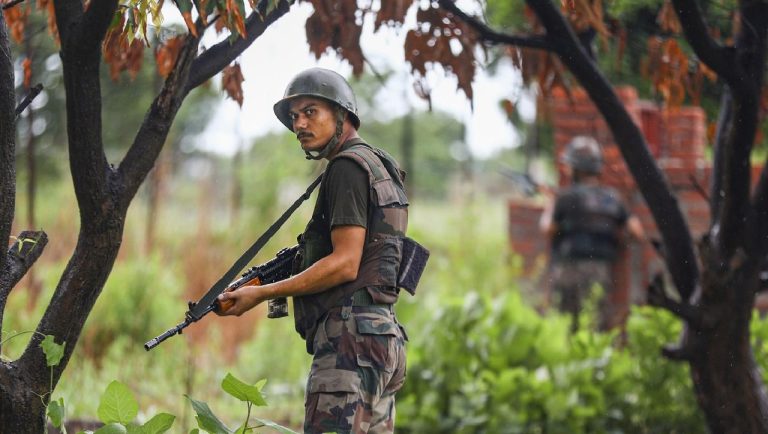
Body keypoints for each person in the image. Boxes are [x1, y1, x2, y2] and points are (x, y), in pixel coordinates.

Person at [216, 67, 410, 434]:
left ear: (342, 114)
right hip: (384, 337)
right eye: (294, 117)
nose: (300, 124)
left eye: (310, 112)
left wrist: (262, 293)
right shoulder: (380, 165)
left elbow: (345, 264)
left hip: (350, 343)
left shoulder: (346, 168)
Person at [539, 136, 644, 332]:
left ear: (575, 169)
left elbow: (547, 228)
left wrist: (550, 202)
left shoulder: (565, 197)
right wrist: (618, 241)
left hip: (567, 271)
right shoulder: (612, 198)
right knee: (595, 328)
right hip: (601, 271)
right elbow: (637, 232)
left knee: (566, 328)